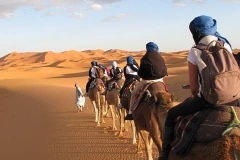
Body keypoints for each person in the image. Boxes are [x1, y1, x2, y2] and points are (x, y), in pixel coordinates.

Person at [159, 15, 240, 160]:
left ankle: (164, 154)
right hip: (235, 96)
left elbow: (195, 88)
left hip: (208, 99)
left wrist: (198, 95)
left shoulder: (195, 51)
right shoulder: (226, 45)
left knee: (171, 114)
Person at [124, 42, 168, 120]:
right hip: (160, 80)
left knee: (133, 94)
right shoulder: (161, 58)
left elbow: (141, 73)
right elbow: (165, 70)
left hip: (147, 81)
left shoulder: (145, 58)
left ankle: (130, 113)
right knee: (167, 92)